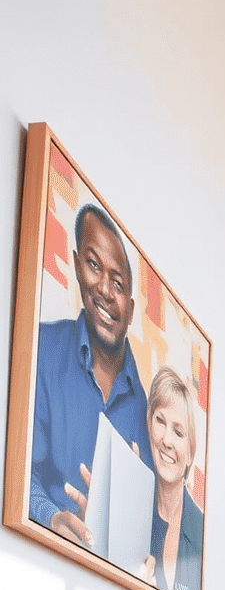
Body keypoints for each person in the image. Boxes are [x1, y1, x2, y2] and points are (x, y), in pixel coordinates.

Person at [30, 203, 153, 544]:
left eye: (117, 282)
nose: (103, 289)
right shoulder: (43, 348)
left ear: (130, 308)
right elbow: (19, 470)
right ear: (75, 263)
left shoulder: (147, 412)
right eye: (93, 265)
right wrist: (51, 517)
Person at [144, 367, 203, 590]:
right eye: (160, 421)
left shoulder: (201, 531)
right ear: (149, 423)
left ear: (190, 453)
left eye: (178, 433)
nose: (166, 440)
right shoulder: (134, 510)